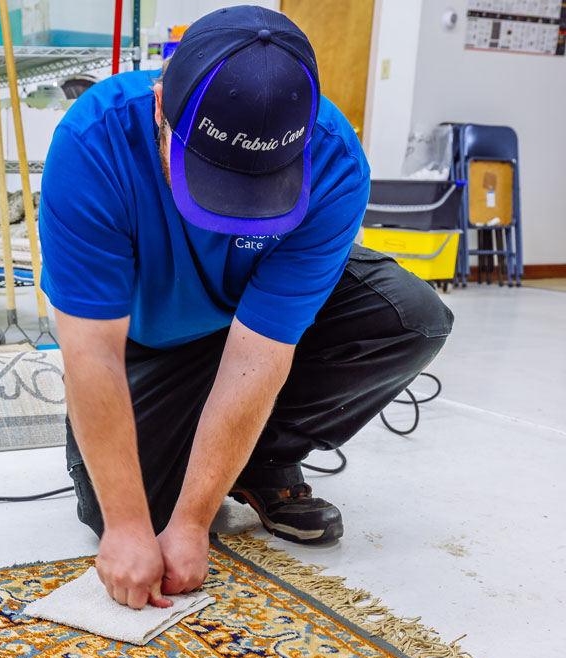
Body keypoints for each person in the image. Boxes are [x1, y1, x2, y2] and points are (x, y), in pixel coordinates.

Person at [38, 6, 453, 611]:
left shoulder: (334, 162)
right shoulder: (93, 144)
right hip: (146, 341)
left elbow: (259, 351)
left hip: (246, 319)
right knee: (122, 519)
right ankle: (169, 472)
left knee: (410, 318)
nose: (232, 215)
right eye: (213, 179)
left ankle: (263, 458)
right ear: (161, 109)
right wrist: (132, 526)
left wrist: (194, 520)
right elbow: (91, 350)